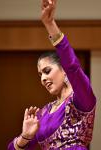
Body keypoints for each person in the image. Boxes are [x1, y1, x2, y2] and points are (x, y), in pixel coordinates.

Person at [8, 0, 96, 149]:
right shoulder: (43, 113)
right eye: (40, 75)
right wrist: (25, 137)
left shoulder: (82, 98)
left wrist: (49, 24)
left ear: (64, 69)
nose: (43, 79)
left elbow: (72, 65)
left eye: (47, 71)